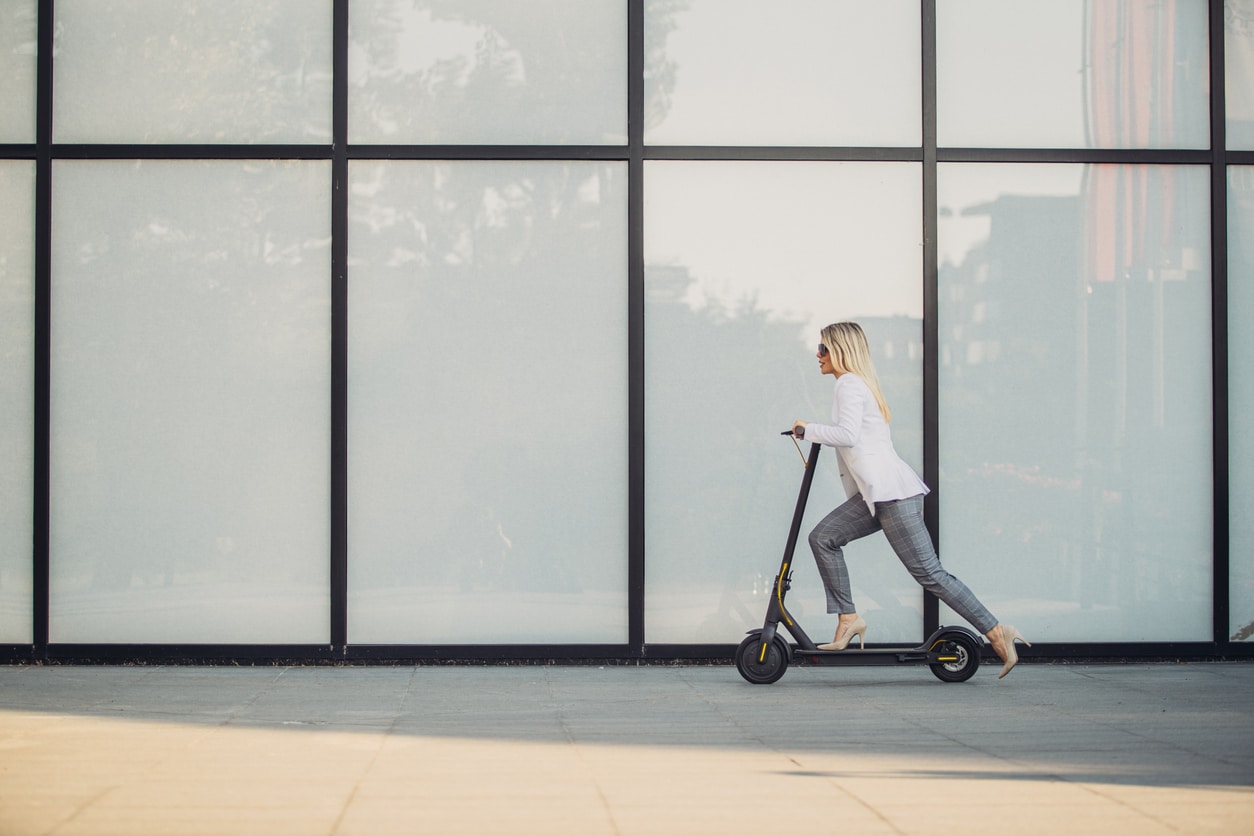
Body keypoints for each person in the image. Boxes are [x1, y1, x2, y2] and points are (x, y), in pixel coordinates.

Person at [791, 321, 1029, 679]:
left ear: (840, 350)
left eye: (823, 348)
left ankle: (997, 631)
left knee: (930, 574)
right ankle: (848, 619)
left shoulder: (849, 384)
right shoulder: (853, 385)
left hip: (893, 495)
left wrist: (806, 428)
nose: (818, 355)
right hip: (879, 495)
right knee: (824, 537)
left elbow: (847, 435)